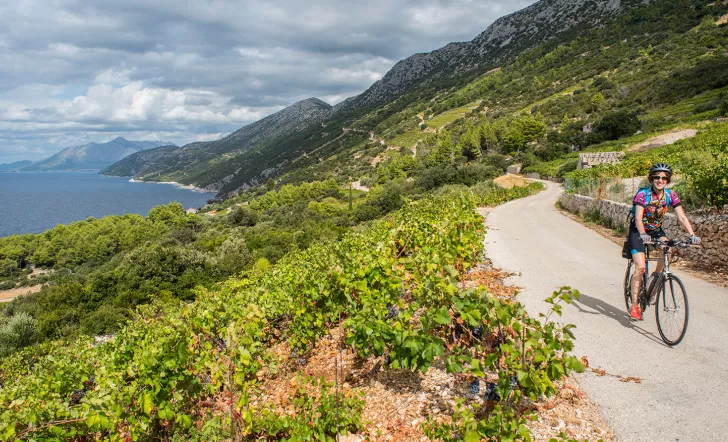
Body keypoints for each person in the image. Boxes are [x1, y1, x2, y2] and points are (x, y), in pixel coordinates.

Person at [626, 163, 700, 320]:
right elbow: (638, 218)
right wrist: (642, 233)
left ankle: (655, 277)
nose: (660, 180)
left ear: (668, 180)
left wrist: (692, 234)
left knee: (668, 250)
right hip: (638, 231)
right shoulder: (643, 194)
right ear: (652, 178)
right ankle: (634, 306)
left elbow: (681, 217)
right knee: (639, 267)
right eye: (657, 177)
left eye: (664, 178)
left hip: (656, 230)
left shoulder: (670, 195)